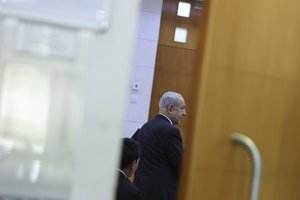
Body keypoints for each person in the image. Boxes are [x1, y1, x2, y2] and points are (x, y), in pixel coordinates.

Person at [133, 91, 187, 200]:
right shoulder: (171, 131)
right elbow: (182, 167)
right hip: (161, 194)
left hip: (140, 191)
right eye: (182, 108)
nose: (185, 113)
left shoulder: (145, 127)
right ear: (170, 109)